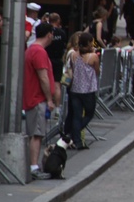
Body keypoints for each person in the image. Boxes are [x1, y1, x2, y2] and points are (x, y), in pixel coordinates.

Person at [24, 22, 60, 180]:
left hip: (34, 97)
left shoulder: (32, 49)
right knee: (37, 134)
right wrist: (49, 99)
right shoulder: (38, 52)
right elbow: (43, 77)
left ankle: (33, 165)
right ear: (49, 34)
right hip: (37, 98)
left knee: (35, 133)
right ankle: (33, 166)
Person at [61, 32, 100, 151]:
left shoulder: (74, 55)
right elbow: (97, 71)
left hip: (75, 89)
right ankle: (74, 133)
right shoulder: (93, 57)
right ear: (88, 43)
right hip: (88, 90)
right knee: (89, 113)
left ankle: (76, 140)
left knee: (76, 115)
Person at [46, 13, 68, 84]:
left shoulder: (46, 31)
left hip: (47, 59)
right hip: (58, 59)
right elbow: (64, 45)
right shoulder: (62, 32)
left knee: (46, 80)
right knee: (57, 83)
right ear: (58, 20)